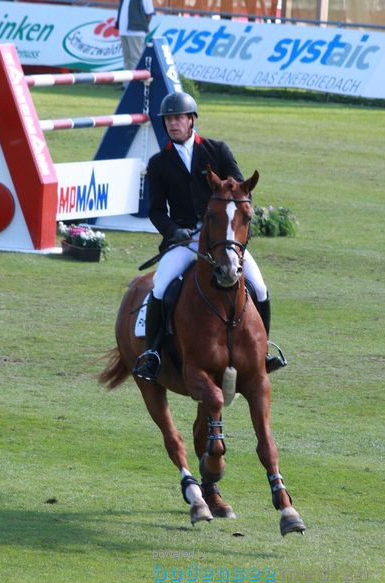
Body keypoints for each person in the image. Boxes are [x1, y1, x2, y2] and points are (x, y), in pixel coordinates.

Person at [132, 91, 287, 382]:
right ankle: (152, 354)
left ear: (192, 121)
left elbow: (242, 190)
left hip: (223, 237)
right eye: (168, 119)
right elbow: (155, 211)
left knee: (260, 287)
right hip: (184, 242)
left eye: (179, 118)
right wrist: (172, 230)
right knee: (161, 286)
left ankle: (264, 351)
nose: (173, 124)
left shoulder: (217, 150)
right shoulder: (159, 163)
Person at [117, 0, 155, 72]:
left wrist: (142, 26)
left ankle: (136, 82)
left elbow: (149, 12)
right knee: (127, 60)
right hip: (123, 31)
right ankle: (127, 83)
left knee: (136, 60)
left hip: (136, 31)